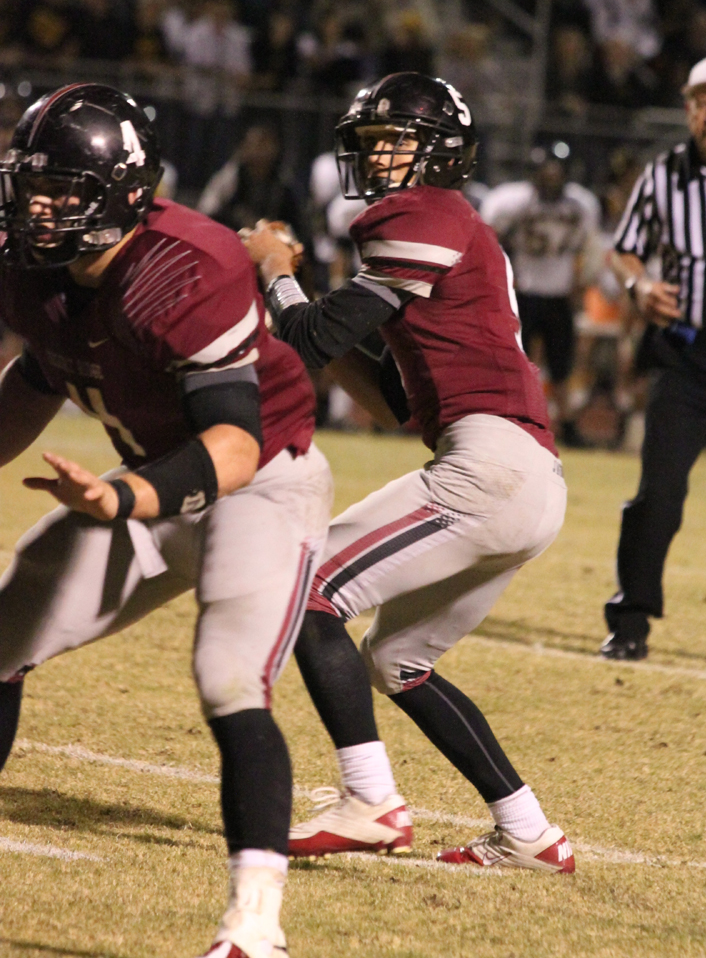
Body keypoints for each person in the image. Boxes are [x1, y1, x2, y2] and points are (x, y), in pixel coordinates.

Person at [0, 84, 333, 958]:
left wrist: (121, 499)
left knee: (229, 675)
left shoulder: (187, 263)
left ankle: (255, 925)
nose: (39, 205)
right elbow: (44, 373)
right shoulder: (33, 267)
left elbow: (231, 444)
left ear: (119, 195)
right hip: (150, 483)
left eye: (64, 188)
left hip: (261, 481)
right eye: (31, 183)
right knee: (5, 628)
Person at [243, 73, 574, 874]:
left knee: (309, 589)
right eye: (371, 140)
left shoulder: (418, 213)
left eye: (394, 139)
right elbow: (392, 395)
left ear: (440, 153)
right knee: (398, 663)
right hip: (523, 475)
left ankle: (369, 800)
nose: (377, 155)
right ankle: (528, 831)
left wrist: (275, 270)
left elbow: (312, 337)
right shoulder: (445, 227)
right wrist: (292, 312)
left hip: (487, 469)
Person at [601, 53, 706, 660]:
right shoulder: (664, 175)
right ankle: (630, 623)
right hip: (688, 353)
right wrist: (640, 287)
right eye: (701, 102)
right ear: (687, 109)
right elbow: (623, 250)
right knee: (661, 492)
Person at [481, 151, 600, 446]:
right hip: (523, 291)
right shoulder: (512, 201)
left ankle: (566, 424)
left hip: (557, 293)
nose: (551, 179)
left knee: (561, 367)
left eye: (556, 173)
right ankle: (508, 419)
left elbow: (584, 249)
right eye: (546, 173)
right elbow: (489, 242)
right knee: (514, 362)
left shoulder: (581, 204)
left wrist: (577, 284)